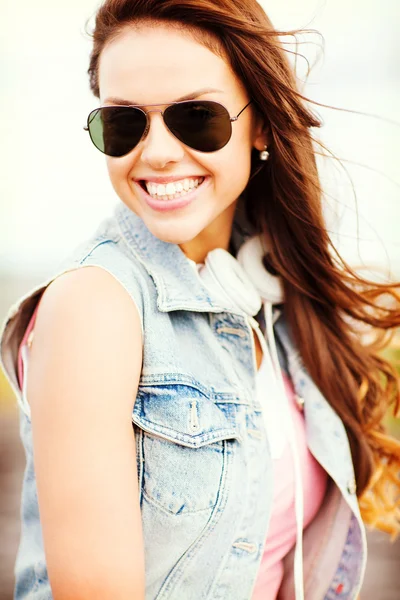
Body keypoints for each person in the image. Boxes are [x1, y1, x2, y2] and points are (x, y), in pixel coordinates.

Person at [1, 1, 399, 598]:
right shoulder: (94, 307)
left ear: (261, 122)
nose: (156, 152)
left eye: (197, 117)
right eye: (124, 123)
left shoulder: (268, 290)